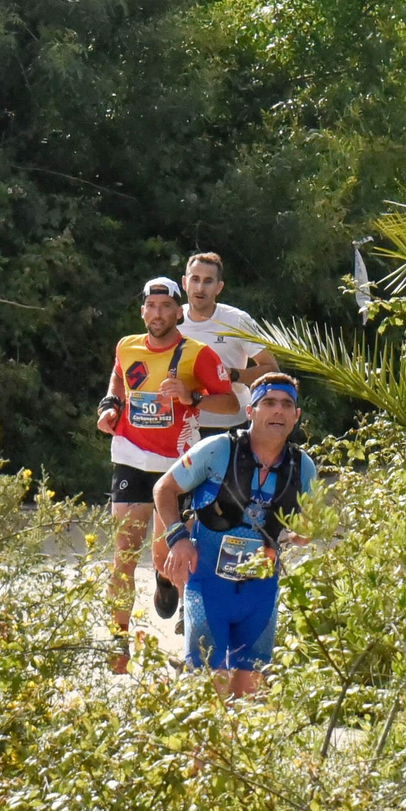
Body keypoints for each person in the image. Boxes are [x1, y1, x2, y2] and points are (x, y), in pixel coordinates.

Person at [97, 277, 236, 673]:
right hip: (130, 455)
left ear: (179, 312)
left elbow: (229, 404)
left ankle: (186, 635)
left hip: (175, 466)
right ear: (143, 311)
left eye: (165, 307)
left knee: (169, 554)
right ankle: (118, 645)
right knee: (124, 553)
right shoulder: (127, 345)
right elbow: (118, 378)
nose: (158, 314)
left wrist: (192, 397)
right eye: (151, 306)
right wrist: (110, 406)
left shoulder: (198, 354)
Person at [152, 372, 315, 697]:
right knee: (210, 696)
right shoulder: (217, 450)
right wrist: (178, 539)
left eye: (286, 405)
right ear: (250, 411)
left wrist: (301, 533)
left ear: (296, 416)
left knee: (248, 700)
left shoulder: (303, 466)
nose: (278, 411)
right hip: (208, 590)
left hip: (261, 594)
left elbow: (306, 528)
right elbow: (164, 489)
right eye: (268, 403)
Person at [178, 252, 280, 440]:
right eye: (195, 279)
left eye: (208, 281)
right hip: (182, 425)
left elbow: (271, 369)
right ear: (185, 283)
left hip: (231, 425)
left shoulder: (237, 320)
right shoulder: (172, 320)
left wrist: (232, 374)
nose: (200, 288)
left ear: (219, 287)